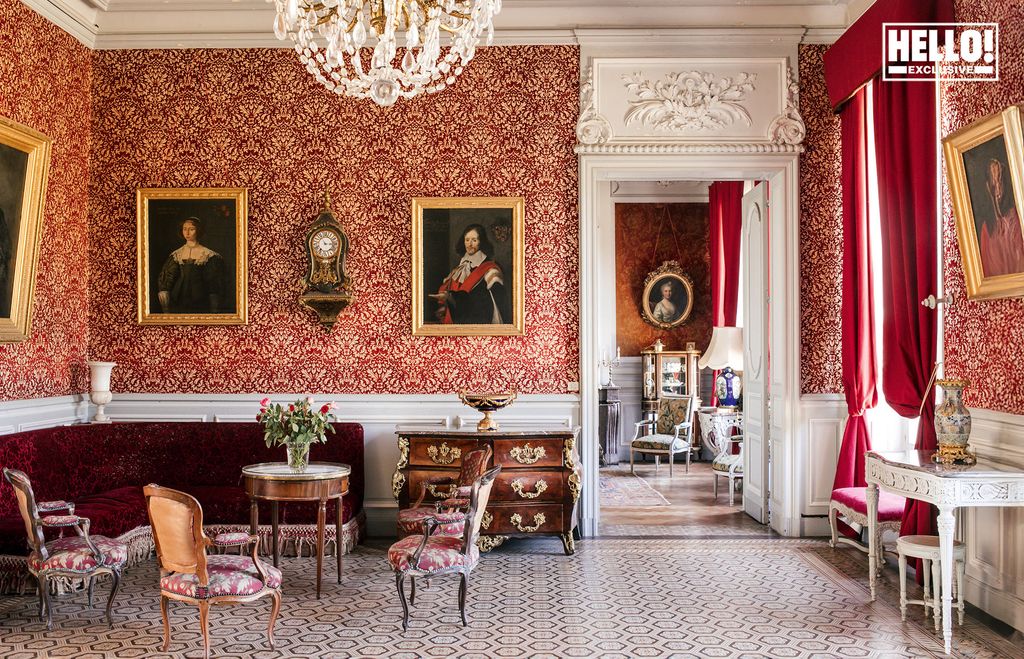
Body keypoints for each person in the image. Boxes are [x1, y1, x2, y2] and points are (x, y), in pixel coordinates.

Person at [430, 224, 509, 324]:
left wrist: (451, 297)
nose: (469, 244)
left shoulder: (490, 269)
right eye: (467, 240)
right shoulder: (460, 268)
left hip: (479, 322)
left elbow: (492, 301)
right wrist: (446, 305)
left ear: (481, 242)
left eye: (474, 240)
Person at [157, 216, 226, 313]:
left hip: (201, 299)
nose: (187, 233)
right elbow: (166, 280)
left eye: (191, 229)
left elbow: (213, 283)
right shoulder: (177, 254)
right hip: (178, 299)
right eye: (184, 229)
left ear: (199, 231)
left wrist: (214, 309)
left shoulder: (208, 254)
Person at [978, 157, 1024, 277]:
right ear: (988, 186)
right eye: (994, 182)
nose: (998, 189)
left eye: (1000, 180)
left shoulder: (1016, 219)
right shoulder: (986, 230)